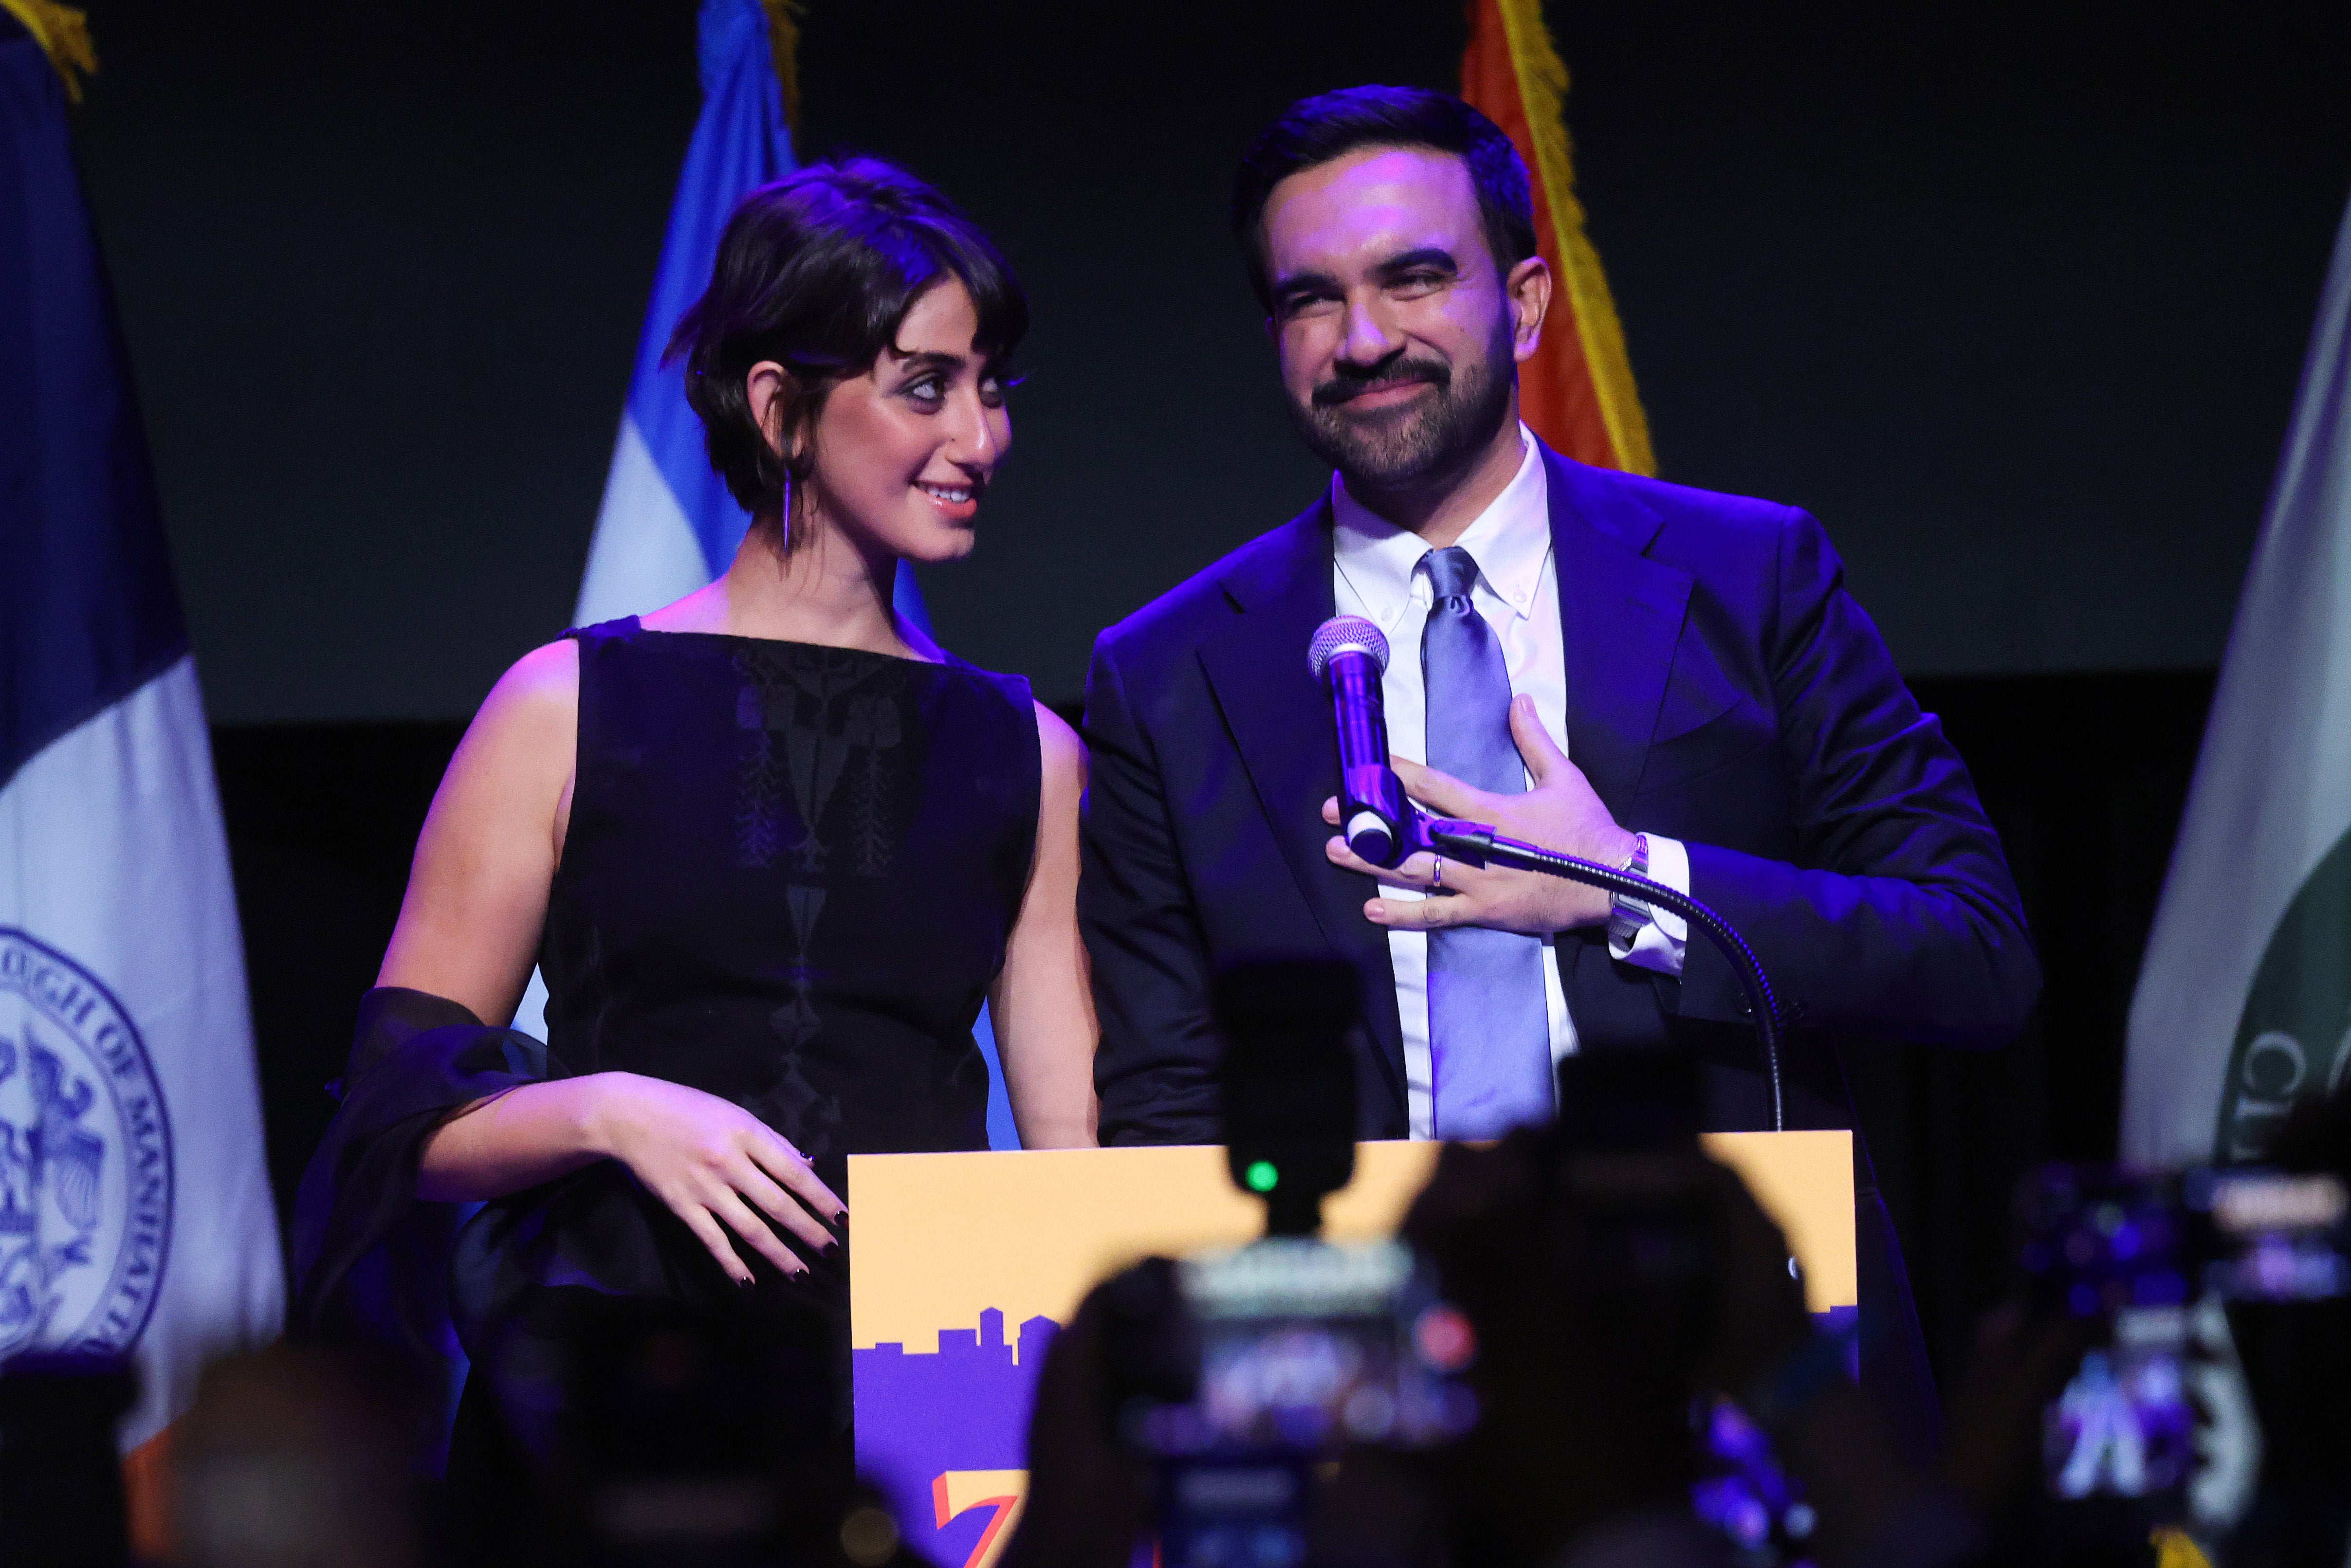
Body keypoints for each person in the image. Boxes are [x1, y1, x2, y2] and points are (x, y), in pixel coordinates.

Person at [1076, 85, 2040, 1454]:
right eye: (1311, 300)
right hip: (1361, 1401)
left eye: (1414, 277)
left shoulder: (1749, 575)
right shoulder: (1170, 669)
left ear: (1525, 302)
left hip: (1731, 1363)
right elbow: (1170, 1103)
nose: (1364, 341)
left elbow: (1976, 952)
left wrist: (1627, 885)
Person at [289, 158, 1097, 1503]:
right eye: (925, 385)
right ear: (779, 405)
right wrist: (608, 1110)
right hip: (604, 1402)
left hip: (909, 1419)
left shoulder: (1030, 753)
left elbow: (1070, 1162)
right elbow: (391, 1128)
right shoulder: (565, 705)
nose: (983, 434)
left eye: (992, 384)